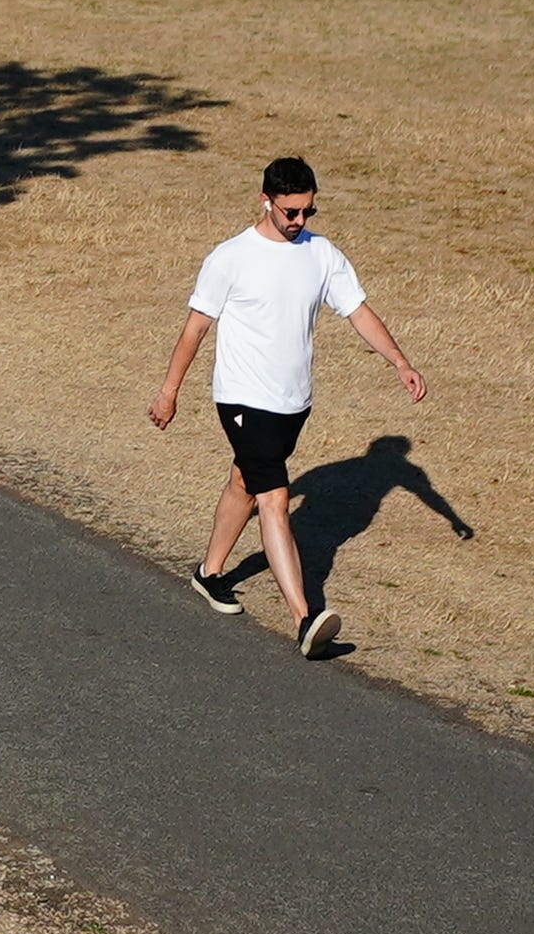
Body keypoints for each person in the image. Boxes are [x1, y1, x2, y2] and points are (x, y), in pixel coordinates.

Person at [149, 156, 426, 656]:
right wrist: (169, 391)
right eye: (291, 212)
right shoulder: (231, 257)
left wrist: (399, 362)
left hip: (292, 402)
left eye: (308, 212)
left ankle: (209, 574)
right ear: (265, 200)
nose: (300, 222)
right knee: (274, 499)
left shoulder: (322, 255)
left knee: (245, 482)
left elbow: (358, 312)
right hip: (241, 398)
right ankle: (305, 619)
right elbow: (195, 328)